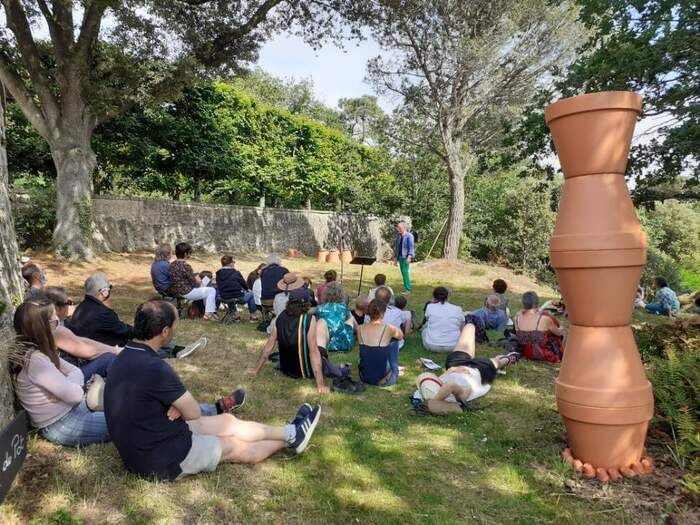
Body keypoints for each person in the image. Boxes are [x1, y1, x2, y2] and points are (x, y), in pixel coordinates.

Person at [104, 300, 319, 481]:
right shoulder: (156, 367)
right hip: (161, 458)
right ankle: (288, 441)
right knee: (234, 446)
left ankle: (290, 431)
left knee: (228, 422)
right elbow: (193, 412)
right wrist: (178, 406)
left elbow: (147, 402)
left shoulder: (123, 357)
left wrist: (173, 406)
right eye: (175, 325)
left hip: (146, 443)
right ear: (165, 332)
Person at [11, 300, 110, 447]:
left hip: (68, 410)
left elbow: (76, 372)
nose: (57, 325)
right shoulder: (35, 359)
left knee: (124, 407)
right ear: (42, 328)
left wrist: (67, 385)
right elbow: (75, 395)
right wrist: (69, 386)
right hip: (61, 424)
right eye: (54, 322)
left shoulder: (36, 351)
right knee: (127, 419)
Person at [67, 273, 205, 359]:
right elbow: (127, 331)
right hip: (108, 350)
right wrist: (149, 329)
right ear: (103, 292)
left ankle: (178, 349)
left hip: (92, 347)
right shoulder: (101, 313)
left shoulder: (82, 307)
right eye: (110, 288)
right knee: (143, 343)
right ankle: (176, 352)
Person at [248, 287, 347, 389]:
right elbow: (313, 352)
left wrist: (256, 369)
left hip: (286, 368)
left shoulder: (280, 317)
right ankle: (329, 362)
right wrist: (320, 384)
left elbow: (269, 345)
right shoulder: (308, 319)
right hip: (305, 370)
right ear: (307, 303)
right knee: (322, 323)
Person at [415, 323, 520, 415]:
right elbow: (450, 386)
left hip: (455, 365)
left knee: (469, 326)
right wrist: (435, 402)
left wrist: (451, 371)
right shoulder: (461, 396)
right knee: (496, 361)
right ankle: (509, 358)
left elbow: (438, 380)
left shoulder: (430, 391)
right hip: (478, 370)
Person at [42, 286, 119, 378]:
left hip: (59, 374)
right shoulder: (54, 329)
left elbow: (80, 341)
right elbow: (86, 350)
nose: (71, 305)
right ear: (57, 308)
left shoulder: (43, 321)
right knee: (109, 358)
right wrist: (115, 350)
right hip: (66, 380)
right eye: (69, 303)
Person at [358, 299, 403, 386]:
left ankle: (388, 369)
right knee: (394, 340)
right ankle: (394, 368)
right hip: (384, 380)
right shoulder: (389, 328)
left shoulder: (359, 328)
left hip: (364, 377)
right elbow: (400, 336)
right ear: (382, 313)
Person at [169, 242, 218, 320]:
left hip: (177, 290)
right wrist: (198, 278)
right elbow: (195, 282)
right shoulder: (186, 266)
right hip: (187, 292)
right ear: (185, 254)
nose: (190, 255)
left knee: (206, 287)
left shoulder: (172, 265)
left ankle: (210, 313)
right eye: (189, 253)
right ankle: (208, 314)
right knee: (211, 289)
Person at [513, 291, 566, 363]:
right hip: (542, 354)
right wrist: (562, 328)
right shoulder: (544, 319)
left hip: (525, 351)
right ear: (536, 303)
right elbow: (558, 333)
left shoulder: (516, 317)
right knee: (559, 331)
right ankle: (565, 354)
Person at [421, 286, 465, 352]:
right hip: (454, 346)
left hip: (431, 345)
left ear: (434, 297)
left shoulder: (430, 307)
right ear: (448, 296)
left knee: (424, 330)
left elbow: (427, 320)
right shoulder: (458, 309)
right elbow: (462, 327)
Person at [216, 255, 259, 321]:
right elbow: (243, 283)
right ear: (230, 263)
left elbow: (219, 285)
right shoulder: (235, 272)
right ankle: (253, 316)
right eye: (233, 262)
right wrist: (247, 289)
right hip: (237, 297)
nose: (234, 263)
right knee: (252, 294)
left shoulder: (218, 273)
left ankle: (235, 315)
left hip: (223, 297)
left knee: (229, 294)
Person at [315, 282, 355, 352]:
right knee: (351, 318)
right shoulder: (344, 307)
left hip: (326, 342)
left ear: (324, 294)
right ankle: (359, 334)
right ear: (341, 295)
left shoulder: (320, 308)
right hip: (344, 344)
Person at [392, 222, 415, 293]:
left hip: (406, 257)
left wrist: (409, 257)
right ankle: (407, 287)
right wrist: (395, 259)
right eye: (397, 228)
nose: (398, 229)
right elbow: (397, 248)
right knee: (403, 272)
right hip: (400, 257)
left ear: (404, 228)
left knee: (405, 272)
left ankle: (408, 289)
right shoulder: (398, 236)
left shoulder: (409, 236)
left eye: (399, 228)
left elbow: (411, 247)